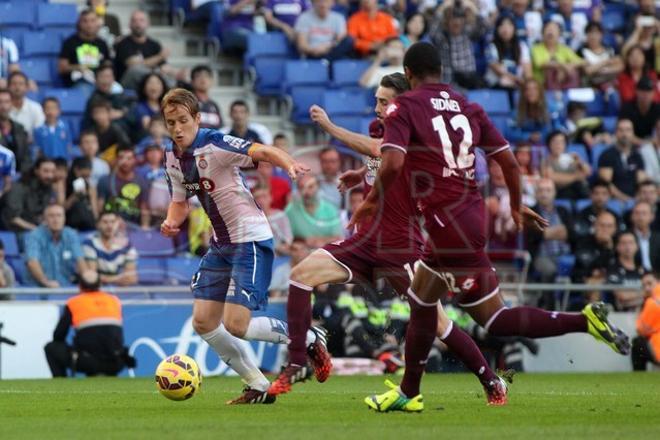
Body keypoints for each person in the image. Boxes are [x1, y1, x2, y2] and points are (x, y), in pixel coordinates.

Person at [350, 42, 628, 412]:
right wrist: (516, 206)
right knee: (431, 301)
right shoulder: (469, 106)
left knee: (480, 315)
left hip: (445, 222)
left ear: (409, 73)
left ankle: (410, 392)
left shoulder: (406, 105)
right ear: (441, 72)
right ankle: (411, 391)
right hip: (471, 215)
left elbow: (392, 163)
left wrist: (369, 202)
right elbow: (509, 163)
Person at [269, 72, 514, 403]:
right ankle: (298, 360)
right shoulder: (380, 128)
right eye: (377, 101)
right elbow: (379, 161)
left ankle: (490, 379)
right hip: (365, 242)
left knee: (439, 323)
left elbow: (379, 150)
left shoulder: (416, 132)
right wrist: (360, 175)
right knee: (301, 276)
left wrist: (330, 128)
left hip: (401, 247)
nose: (378, 108)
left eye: (385, 101)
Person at [159, 87, 329, 404]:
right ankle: (258, 385)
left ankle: (308, 337)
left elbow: (261, 151)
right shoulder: (172, 156)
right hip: (222, 244)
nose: (177, 129)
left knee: (237, 325)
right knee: (203, 322)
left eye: (183, 120)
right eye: (171, 123)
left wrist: (288, 163)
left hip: (249, 237)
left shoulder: (214, 143)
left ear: (196, 118)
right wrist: (172, 221)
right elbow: (179, 201)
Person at [44, 270, 136, 377]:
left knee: (51, 348)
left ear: (80, 286)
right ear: (100, 285)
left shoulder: (74, 303)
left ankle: (61, 385)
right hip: (116, 362)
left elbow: (58, 336)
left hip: (87, 361)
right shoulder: (114, 301)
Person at [25, 204, 86, 288]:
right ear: (45, 220)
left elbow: (80, 260)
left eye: (59, 216)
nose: (56, 220)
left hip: (66, 286)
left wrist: (87, 282)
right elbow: (32, 262)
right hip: (39, 288)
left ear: (64, 219)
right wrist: (46, 282)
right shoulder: (35, 235)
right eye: (51, 216)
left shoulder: (71, 234)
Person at [113, 10, 171, 90]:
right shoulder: (123, 43)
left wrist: (174, 72)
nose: (138, 24)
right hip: (127, 84)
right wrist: (160, 57)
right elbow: (133, 65)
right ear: (130, 24)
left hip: (150, 84)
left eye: (141, 20)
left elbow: (164, 66)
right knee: (135, 70)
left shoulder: (154, 44)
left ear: (148, 24)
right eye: (134, 20)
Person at [58, 9, 112, 91]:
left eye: (92, 21)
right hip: (80, 82)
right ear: (79, 23)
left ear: (97, 23)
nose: (89, 25)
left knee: (117, 90)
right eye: (85, 21)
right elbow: (61, 68)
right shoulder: (70, 42)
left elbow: (108, 64)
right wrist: (77, 67)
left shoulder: (102, 43)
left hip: (100, 81)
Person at [97, 145, 150, 228]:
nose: (125, 162)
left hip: (133, 227)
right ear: (116, 159)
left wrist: (145, 227)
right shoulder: (105, 180)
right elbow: (99, 209)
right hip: (110, 226)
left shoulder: (142, 181)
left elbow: (144, 208)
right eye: (121, 158)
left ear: (134, 160)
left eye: (129, 158)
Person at [0, 158, 56, 234]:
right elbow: (12, 218)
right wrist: (35, 229)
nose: (50, 175)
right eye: (46, 171)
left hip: (32, 229)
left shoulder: (47, 188)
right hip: (12, 231)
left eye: (53, 172)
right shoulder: (19, 187)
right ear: (36, 170)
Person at [285, 174, 343, 247]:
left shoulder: (331, 209)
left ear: (318, 187)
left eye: (310, 187)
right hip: (300, 255)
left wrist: (321, 241)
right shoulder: (290, 211)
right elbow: (285, 240)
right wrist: (304, 241)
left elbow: (339, 238)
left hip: (325, 254)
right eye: (302, 187)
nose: (306, 192)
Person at [598, 118, 647, 201]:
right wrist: (626, 200)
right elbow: (606, 184)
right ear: (615, 132)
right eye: (621, 130)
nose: (624, 134)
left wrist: (637, 199)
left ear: (633, 133)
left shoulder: (637, 155)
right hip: (613, 200)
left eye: (628, 130)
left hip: (634, 200)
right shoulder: (607, 155)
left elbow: (641, 182)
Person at [83, 211, 138, 286]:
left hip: (120, 290)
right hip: (96, 289)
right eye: (105, 222)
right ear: (98, 225)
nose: (109, 226)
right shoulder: (89, 243)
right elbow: (92, 277)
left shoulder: (127, 246)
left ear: (117, 224)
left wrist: (106, 279)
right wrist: (117, 279)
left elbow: (131, 278)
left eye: (113, 222)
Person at [530, 20, 584, 90]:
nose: (550, 31)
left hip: (563, 84)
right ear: (542, 33)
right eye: (548, 29)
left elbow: (583, 61)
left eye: (553, 29)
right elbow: (541, 64)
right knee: (551, 71)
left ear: (559, 34)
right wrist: (562, 66)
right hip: (541, 87)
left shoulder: (564, 49)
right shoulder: (536, 49)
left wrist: (569, 66)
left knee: (574, 72)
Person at [485, 15, 532, 90]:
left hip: (518, 87)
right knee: (504, 81)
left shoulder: (522, 46)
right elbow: (498, 71)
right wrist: (518, 80)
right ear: (496, 29)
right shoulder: (491, 46)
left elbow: (528, 72)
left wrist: (528, 84)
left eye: (509, 25)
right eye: (502, 25)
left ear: (514, 29)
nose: (505, 28)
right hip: (496, 87)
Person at [541, 130, 591, 199]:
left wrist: (580, 162)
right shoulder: (546, 160)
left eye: (561, 142)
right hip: (559, 193)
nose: (558, 145)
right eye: (555, 142)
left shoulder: (572, 157)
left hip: (578, 191)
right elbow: (551, 177)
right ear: (549, 144)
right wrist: (576, 177)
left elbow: (588, 172)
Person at [606, 231, 646, 311]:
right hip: (619, 316)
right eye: (624, 243)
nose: (628, 247)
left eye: (631, 243)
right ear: (617, 247)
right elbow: (622, 297)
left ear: (637, 246)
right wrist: (645, 293)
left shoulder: (643, 270)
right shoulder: (612, 269)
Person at [632, 272, 660, 371]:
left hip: (658, 345)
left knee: (637, 342)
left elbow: (641, 330)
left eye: (649, 283)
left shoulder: (652, 302)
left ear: (658, 282)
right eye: (644, 285)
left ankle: (638, 377)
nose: (647, 288)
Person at [618, 76, 660, 142]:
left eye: (648, 91)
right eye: (642, 90)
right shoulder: (627, 108)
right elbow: (622, 132)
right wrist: (643, 143)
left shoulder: (657, 108)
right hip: (630, 144)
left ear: (653, 93)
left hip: (652, 144)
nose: (645, 94)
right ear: (636, 91)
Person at [0, 88, 30, 174]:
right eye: (0, 102)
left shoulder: (19, 128)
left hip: (20, 177)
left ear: (11, 104)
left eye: (7, 102)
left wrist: (23, 176)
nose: (3, 106)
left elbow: (26, 156)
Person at [64, 157, 99, 232]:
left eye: (88, 176)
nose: (85, 179)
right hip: (69, 222)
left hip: (87, 222)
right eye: (83, 176)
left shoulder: (90, 186)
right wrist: (74, 197)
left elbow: (94, 210)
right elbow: (61, 209)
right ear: (76, 170)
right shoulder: (64, 183)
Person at [8, 72, 45, 136]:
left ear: (27, 87)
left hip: (30, 144)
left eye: (21, 84)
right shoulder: (2, 107)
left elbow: (40, 132)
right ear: (8, 87)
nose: (17, 87)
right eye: (14, 84)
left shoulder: (36, 108)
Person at [190, 65, 222, 130]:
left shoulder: (214, 105)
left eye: (206, 76)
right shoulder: (187, 102)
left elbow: (221, 128)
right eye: (198, 76)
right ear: (192, 82)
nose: (203, 79)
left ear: (211, 81)